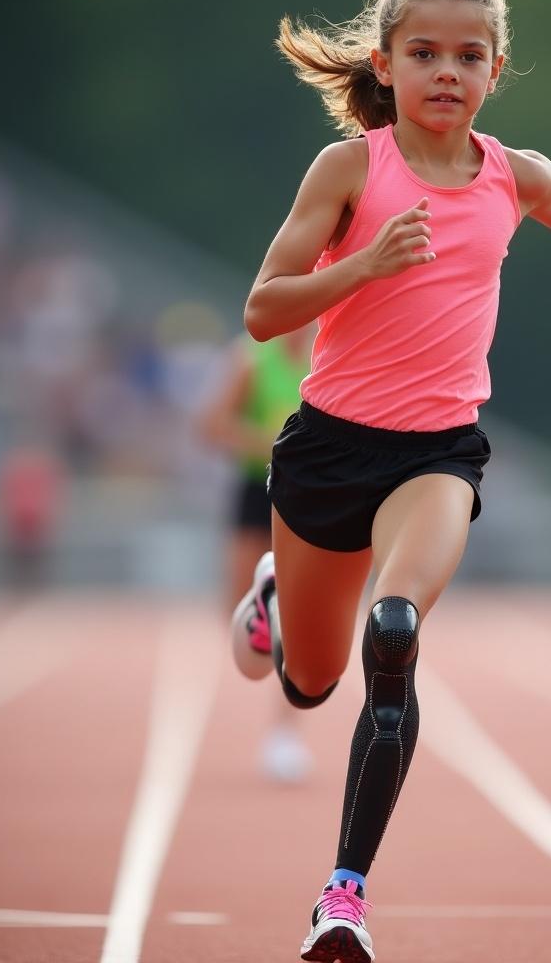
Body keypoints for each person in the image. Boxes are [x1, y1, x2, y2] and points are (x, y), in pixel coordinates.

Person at [234, 0, 551, 962]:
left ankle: (344, 894)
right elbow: (263, 309)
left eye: (469, 55)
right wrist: (363, 262)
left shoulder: (511, 174)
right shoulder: (351, 170)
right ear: (386, 65)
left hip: (438, 453)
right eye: (425, 52)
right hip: (326, 450)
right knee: (309, 684)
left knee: (392, 632)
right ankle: (278, 598)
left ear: (495, 69)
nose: (448, 70)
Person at [197, 324, 316, 782]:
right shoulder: (250, 359)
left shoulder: (331, 352)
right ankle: (263, 601)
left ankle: (285, 734)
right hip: (257, 488)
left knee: (304, 620)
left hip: (311, 491)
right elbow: (209, 425)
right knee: (235, 616)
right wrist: (269, 443)